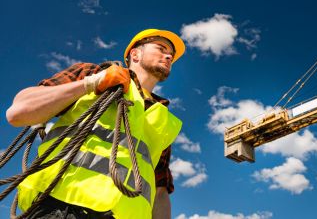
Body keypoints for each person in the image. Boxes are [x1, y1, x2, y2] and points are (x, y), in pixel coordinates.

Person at [6, 29, 186, 219]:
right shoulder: (94, 74)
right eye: (161, 48)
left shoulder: (163, 119)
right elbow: (18, 112)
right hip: (61, 208)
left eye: (171, 55)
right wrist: (91, 83)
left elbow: (160, 191)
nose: (168, 56)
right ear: (135, 53)